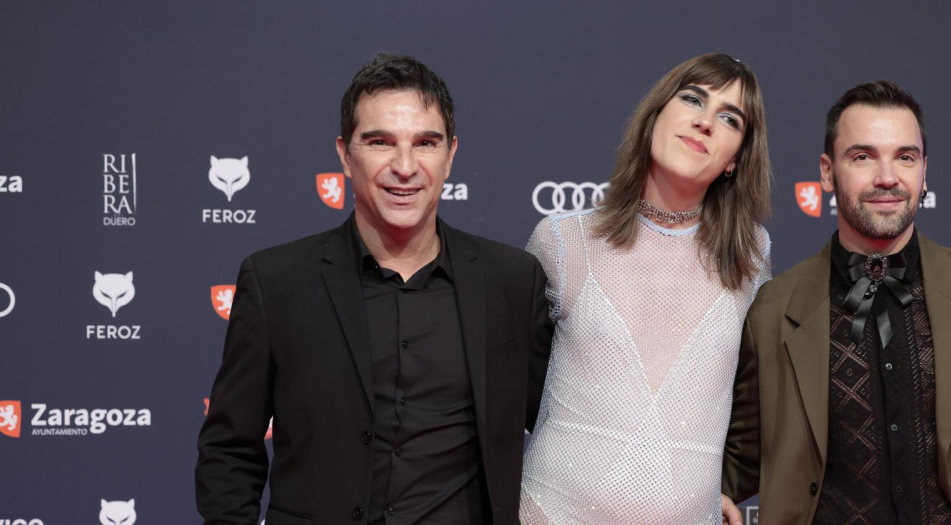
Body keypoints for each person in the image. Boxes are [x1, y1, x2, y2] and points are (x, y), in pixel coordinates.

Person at [196, 52, 554, 524]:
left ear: (450, 156)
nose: (404, 166)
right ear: (345, 155)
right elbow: (230, 451)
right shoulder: (277, 282)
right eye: (380, 142)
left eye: (425, 143)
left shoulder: (512, 280)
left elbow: (561, 429)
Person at [722, 81, 951, 524]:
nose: (887, 177)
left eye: (905, 156)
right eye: (862, 156)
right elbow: (740, 458)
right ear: (826, 172)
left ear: (925, 170)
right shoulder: (774, 309)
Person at [520, 53, 772, 524]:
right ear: (655, 114)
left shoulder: (750, 257)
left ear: (736, 159)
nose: (703, 122)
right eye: (692, 99)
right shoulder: (563, 240)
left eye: (729, 118)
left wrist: (722, 485)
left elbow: (752, 396)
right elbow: (520, 387)